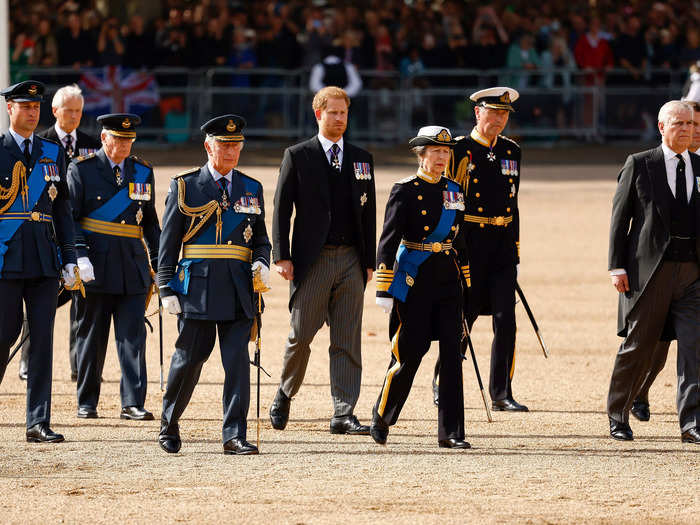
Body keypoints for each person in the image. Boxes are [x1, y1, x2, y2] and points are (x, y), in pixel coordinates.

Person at [157, 115, 271, 455]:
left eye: (236, 145)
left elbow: (261, 238)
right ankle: (169, 423)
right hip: (198, 288)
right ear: (209, 146)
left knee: (237, 363)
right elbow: (169, 241)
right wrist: (165, 286)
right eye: (224, 144)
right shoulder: (186, 185)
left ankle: (233, 434)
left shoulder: (252, 187)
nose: (231, 151)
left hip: (238, 289)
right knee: (188, 360)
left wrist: (262, 260)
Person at [270, 86, 376, 435]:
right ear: (318, 114)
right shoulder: (297, 155)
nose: (339, 118)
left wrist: (370, 261)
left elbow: (370, 212)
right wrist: (282, 256)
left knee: (347, 338)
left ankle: (343, 413)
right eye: (333, 112)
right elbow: (282, 210)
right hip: (312, 260)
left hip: (351, 259)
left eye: (343, 112)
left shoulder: (362, 158)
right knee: (301, 335)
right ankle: (285, 392)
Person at [370, 126, 470, 449]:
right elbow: (387, 241)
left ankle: (451, 432)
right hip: (415, 279)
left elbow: (461, 241)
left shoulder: (455, 190)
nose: (442, 158)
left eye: (446, 152)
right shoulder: (405, 190)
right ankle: (383, 414)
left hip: (448, 281)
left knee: (453, 356)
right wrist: (384, 288)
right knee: (409, 353)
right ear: (421, 154)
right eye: (435, 151)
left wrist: (466, 282)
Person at [607, 100, 700, 445]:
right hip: (649, 273)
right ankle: (618, 413)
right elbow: (620, 220)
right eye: (680, 124)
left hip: (692, 272)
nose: (688, 130)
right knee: (639, 347)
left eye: (691, 124)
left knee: (694, 349)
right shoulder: (640, 164)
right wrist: (617, 266)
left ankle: (691, 422)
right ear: (662, 127)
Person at [432, 87, 527, 412]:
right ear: (477, 113)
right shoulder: (459, 150)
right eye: (493, 113)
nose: (499, 119)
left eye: (504, 115)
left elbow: (514, 203)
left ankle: (501, 391)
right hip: (469, 242)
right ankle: (444, 379)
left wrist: (514, 248)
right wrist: (450, 245)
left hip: (501, 243)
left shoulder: (512, 151)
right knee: (463, 315)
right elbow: (447, 199)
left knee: (506, 318)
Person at [67, 113, 160, 421]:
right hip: (94, 264)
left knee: (133, 337)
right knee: (92, 337)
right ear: (103, 138)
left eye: (128, 139)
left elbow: (150, 225)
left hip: (132, 266)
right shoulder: (83, 170)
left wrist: (162, 266)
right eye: (117, 138)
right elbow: (70, 220)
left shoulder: (143, 172)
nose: (123, 144)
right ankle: (87, 401)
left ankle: (132, 402)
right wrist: (79, 256)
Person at [0, 80, 78, 443]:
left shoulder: (53, 152)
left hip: (45, 259)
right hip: (6, 257)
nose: (31, 112)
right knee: (3, 334)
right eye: (24, 106)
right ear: (9, 109)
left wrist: (70, 258)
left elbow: (62, 210)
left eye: (36, 107)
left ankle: (37, 422)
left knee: (43, 340)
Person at [17, 84, 101, 382]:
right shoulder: (41, 143)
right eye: (69, 111)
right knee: (40, 304)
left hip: (83, 237)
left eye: (79, 111)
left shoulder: (93, 144)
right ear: (55, 111)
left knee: (83, 303)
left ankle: (80, 365)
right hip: (45, 234)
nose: (75, 116)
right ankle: (28, 360)